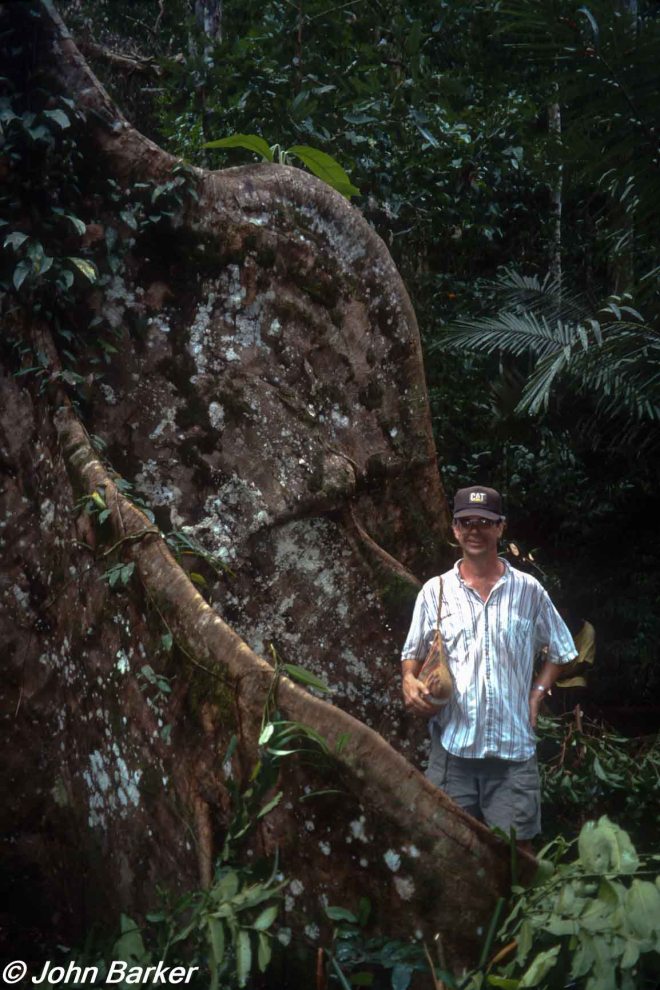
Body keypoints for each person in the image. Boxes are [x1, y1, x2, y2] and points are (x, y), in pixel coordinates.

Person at [401, 485, 577, 851]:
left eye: (484, 522)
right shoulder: (435, 592)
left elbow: (562, 650)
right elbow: (412, 654)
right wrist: (408, 680)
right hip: (453, 750)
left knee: (517, 855)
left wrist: (536, 694)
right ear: (455, 529)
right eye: (466, 522)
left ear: (500, 527)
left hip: (512, 754)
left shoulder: (529, 591)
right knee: (448, 853)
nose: (474, 530)